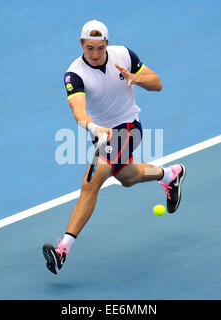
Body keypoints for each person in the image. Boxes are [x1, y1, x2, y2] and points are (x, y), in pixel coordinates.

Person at [42, 20, 186, 274]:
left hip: (129, 127)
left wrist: (137, 78)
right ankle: (170, 175)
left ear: (107, 43)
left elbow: (157, 83)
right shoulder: (74, 74)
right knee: (126, 177)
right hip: (101, 134)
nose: (95, 54)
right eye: (89, 48)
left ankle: (63, 249)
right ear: (81, 44)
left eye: (100, 47)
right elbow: (79, 111)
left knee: (92, 180)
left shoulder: (124, 55)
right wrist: (93, 128)